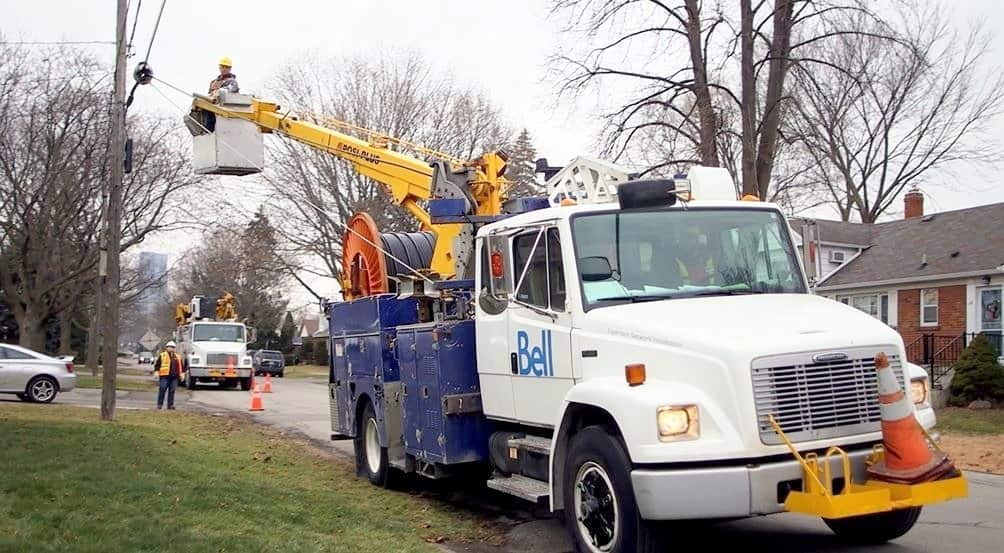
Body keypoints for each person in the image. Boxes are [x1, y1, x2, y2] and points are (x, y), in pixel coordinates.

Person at [154, 341, 185, 410]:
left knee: (172, 390)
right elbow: (157, 365)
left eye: (173, 347)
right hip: (164, 376)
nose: (171, 348)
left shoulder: (178, 356)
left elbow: (181, 367)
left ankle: (170, 405)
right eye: (169, 347)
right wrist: (156, 372)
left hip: (174, 377)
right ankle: (160, 405)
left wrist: (182, 374)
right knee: (162, 389)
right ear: (167, 347)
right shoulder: (162, 355)